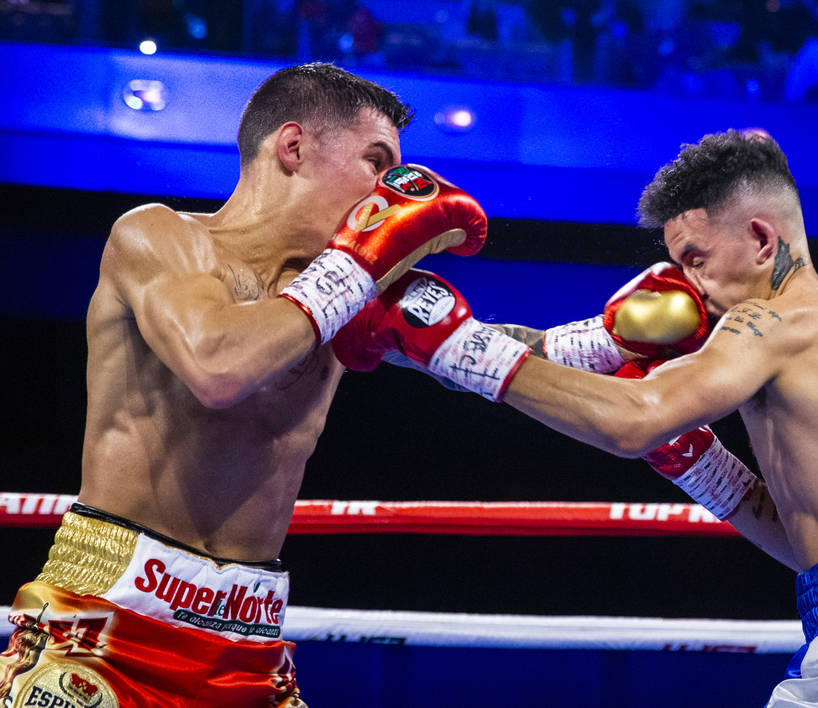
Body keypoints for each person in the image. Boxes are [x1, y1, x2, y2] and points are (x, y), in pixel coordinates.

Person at [334, 129, 818, 706]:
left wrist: (452, 345)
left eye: (698, 259)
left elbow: (632, 419)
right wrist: (701, 463)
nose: (691, 287)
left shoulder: (768, 327)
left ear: (763, 240)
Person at [0, 62, 490, 706]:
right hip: (105, 631)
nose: (388, 195)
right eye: (376, 163)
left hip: (249, 648)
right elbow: (218, 366)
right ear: (293, 147)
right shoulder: (160, 237)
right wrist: (356, 265)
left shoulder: (349, 296)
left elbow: (494, 352)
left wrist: (611, 341)